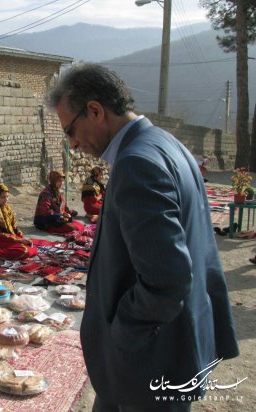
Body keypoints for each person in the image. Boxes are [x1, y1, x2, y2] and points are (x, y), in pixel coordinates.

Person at [48, 63, 239, 411]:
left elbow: (167, 280)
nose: (73, 145)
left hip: (150, 358)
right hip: (156, 351)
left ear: (95, 110)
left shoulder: (139, 162)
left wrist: (122, 330)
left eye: (71, 130)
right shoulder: (166, 144)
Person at [0, 183, 38, 260]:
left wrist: (22, 238)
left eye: (7, 197)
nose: (6, 199)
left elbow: (14, 227)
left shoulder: (6, 208)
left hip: (9, 238)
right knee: (24, 251)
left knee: (33, 248)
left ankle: (3, 250)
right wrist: (19, 240)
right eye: (3, 197)